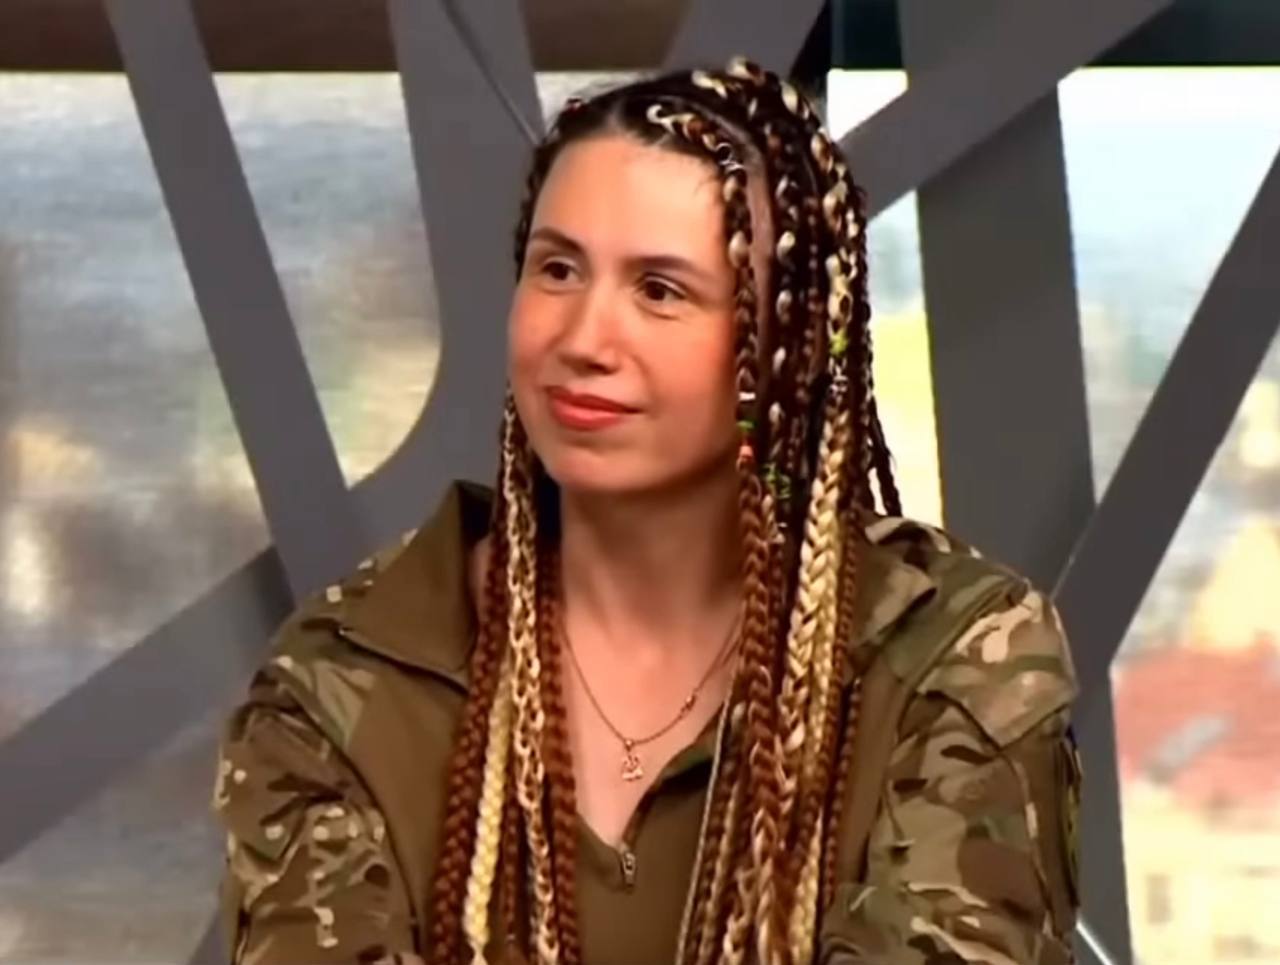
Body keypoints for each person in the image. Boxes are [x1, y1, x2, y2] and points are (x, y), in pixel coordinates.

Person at [212, 59, 1082, 965]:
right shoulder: (343, 677)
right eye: (557, 269)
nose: (583, 338)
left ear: (784, 345)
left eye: (660, 289)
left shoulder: (956, 650)